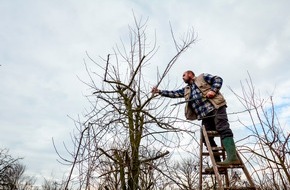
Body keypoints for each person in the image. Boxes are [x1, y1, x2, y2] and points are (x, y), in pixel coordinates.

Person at [151, 70, 239, 165]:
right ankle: (217, 163)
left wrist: (213, 90)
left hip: (216, 107)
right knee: (206, 139)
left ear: (190, 74)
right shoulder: (187, 89)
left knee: (223, 128)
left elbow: (218, 79)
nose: (182, 77)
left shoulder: (202, 77)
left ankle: (232, 157)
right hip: (205, 115)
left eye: (184, 75)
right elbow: (174, 93)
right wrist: (159, 91)